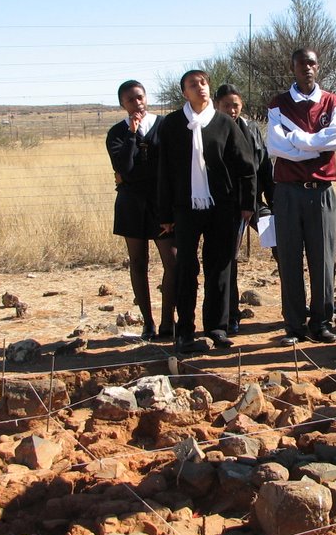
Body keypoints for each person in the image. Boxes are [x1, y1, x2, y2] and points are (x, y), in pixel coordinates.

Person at [157, 70, 255, 354]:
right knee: (186, 267)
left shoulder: (224, 123)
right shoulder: (173, 124)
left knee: (220, 267)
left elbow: (245, 166)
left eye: (203, 82)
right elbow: (164, 170)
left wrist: (247, 204)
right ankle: (185, 331)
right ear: (184, 93)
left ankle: (217, 328)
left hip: (222, 207)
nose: (200, 87)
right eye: (192, 84)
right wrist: (165, 214)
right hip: (185, 208)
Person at [267, 48, 336, 345]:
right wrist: (315, 144)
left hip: (321, 192)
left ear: (318, 66)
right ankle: (294, 326)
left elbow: (335, 140)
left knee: (323, 260)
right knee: (289, 258)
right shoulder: (279, 104)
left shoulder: (331, 101)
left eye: (311, 63)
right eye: (301, 63)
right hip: (287, 193)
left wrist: (297, 141)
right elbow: (276, 147)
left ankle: (322, 322)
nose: (307, 68)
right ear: (293, 67)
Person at [105, 80, 176, 340]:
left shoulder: (164, 125)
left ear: (146, 97)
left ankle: (169, 320)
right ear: (122, 104)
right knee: (138, 262)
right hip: (131, 203)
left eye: (140, 97)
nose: (137, 104)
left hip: (161, 202)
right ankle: (148, 323)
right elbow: (123, 166)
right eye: (130, 100)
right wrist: (133, 134)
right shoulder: (117, 133)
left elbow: (172, 164)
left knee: (173, 261)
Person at [214, 83, 274, 335]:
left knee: (280, 240)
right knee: (228, 260)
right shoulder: (211, 129)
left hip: (254, 204)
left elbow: (264, 168)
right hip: (225, 207)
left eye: (235, 105)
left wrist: (273, 203)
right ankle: (230, 315)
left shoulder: (251, 129)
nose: (231, 109)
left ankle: (293, 310)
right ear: (217, 105)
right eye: (226, 105)